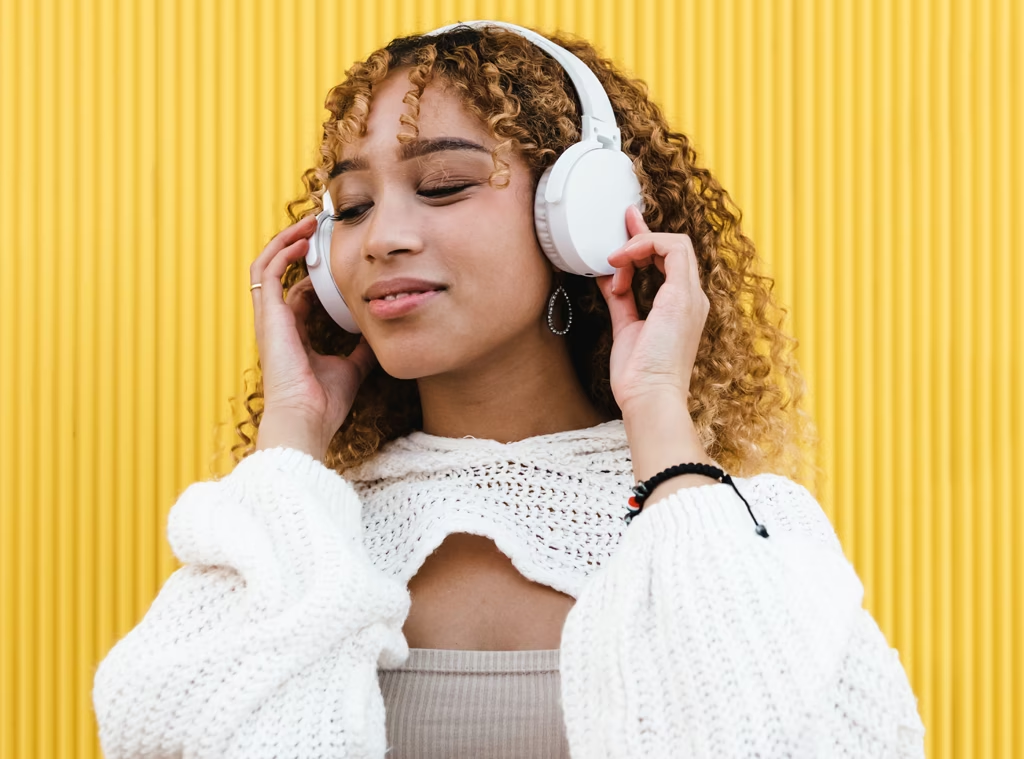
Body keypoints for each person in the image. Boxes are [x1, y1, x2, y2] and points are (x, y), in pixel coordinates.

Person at [91, 21, 926, 759]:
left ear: (578, 219)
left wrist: (660, 413)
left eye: (444, 185)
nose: (382, 237)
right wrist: (290, 440)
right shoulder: (297, 534)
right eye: (350, 205)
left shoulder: (740, 529)